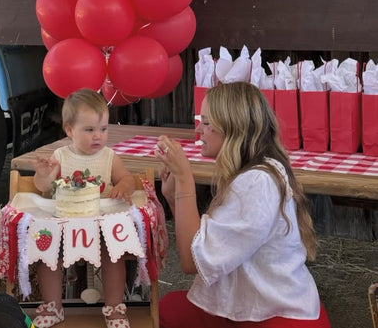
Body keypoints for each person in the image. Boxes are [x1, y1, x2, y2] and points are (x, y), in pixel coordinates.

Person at [156, 81, 331, 328]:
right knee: (168, 309)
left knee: (169, 312)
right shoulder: (254, 172)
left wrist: (185, 180)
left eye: (207, 123)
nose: (198, 131)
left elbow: (191, 262)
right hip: (252, 307)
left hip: (279, 318)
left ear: (233, 129)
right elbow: (198, 245)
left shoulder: (257, 183)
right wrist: (174, 196)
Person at [31, 88, 135, 328]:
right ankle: (53, 305)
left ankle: (114, 307)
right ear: (69, 130)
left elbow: (128, 179)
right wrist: (43, 175)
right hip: (66, 227)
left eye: (103, 129)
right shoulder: (61, 156)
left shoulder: (109, 157)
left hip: (101, 224)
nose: (97, 136)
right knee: (47, 248)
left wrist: (123, 187)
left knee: (114, 252)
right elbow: (45, 188)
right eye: (89, 130)